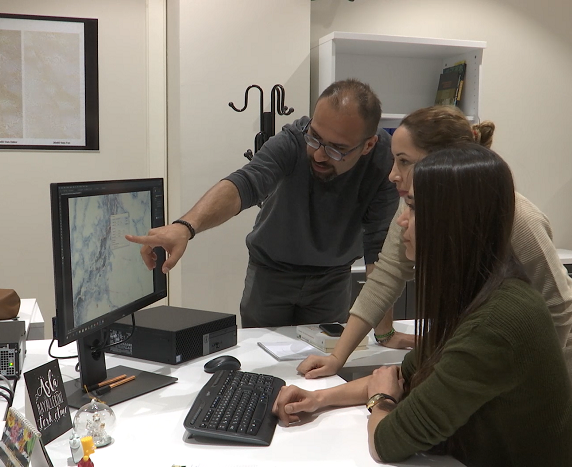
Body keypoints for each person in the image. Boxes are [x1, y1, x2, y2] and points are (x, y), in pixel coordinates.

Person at [272, 144, 572, 467]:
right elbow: (402, 378)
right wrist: (317, 399)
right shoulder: (479, 295)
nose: (402, 221)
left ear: (453, 221)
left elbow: (387, 440)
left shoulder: (496, 322)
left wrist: (380, 401)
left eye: (413, 208)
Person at [298, 105, 572, 404]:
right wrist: (337, 357)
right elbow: (386, 276)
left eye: (404, 161)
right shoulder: (412, 207)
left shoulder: (517, 216)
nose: (392, 175)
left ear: (443, 162)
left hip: (562, 358)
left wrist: (532, 378)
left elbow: (558, 306)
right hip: (503, 356)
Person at [126, 79, 398, 327]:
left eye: (337, 148)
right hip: (271, 272)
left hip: (333, 278)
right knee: (259, 354)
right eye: (315, 137)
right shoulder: (293, 140)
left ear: (368, 145)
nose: (318, 155)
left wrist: (384, 331)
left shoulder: (384, 161)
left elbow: (379, 247)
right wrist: (185, 227)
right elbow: (246, 182)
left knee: (322, 357)